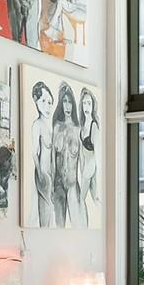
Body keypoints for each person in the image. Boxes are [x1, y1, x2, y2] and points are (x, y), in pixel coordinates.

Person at [51, 81, 80, 227]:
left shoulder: (77, 129)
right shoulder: (56, 127)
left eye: (70, 102)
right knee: (59, 226)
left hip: (73, 183)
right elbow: (51, 158)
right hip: (58, 184)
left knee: (76, 224)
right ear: (61, 104)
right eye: (64, 101)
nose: (67, 105)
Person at [29, 79, 56, 225]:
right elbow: (34, 153)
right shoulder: (37, 125)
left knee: (52, 216)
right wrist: (40, 175)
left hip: (52, 176)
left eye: (50, 102)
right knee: (45, 215)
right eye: (44, 101)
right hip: (43, 175)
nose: (47, 106)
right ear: (36, 101)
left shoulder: (52, 126)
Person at [77, 86, 99, 226]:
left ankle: (82, 225)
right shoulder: (82, 125)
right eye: (84, 103)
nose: (86, 106)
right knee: (95, 199)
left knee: (81, 198)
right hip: (84, 165)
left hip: (90, 166)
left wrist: (89, 171)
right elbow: (80, 151)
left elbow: (96, 152)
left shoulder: (93, 125)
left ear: (93, 105)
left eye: (89, 103)